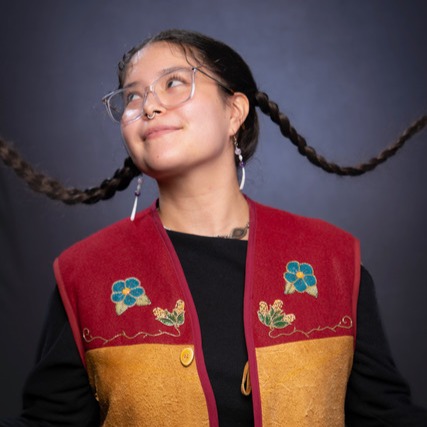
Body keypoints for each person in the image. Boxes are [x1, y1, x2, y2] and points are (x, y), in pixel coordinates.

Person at [0, 29, 426, 427]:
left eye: (173, 82)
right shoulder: (85, 273)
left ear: (234, 112)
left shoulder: (332, 259)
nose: (148, 105)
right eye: (132, 96)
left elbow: (386, 416)